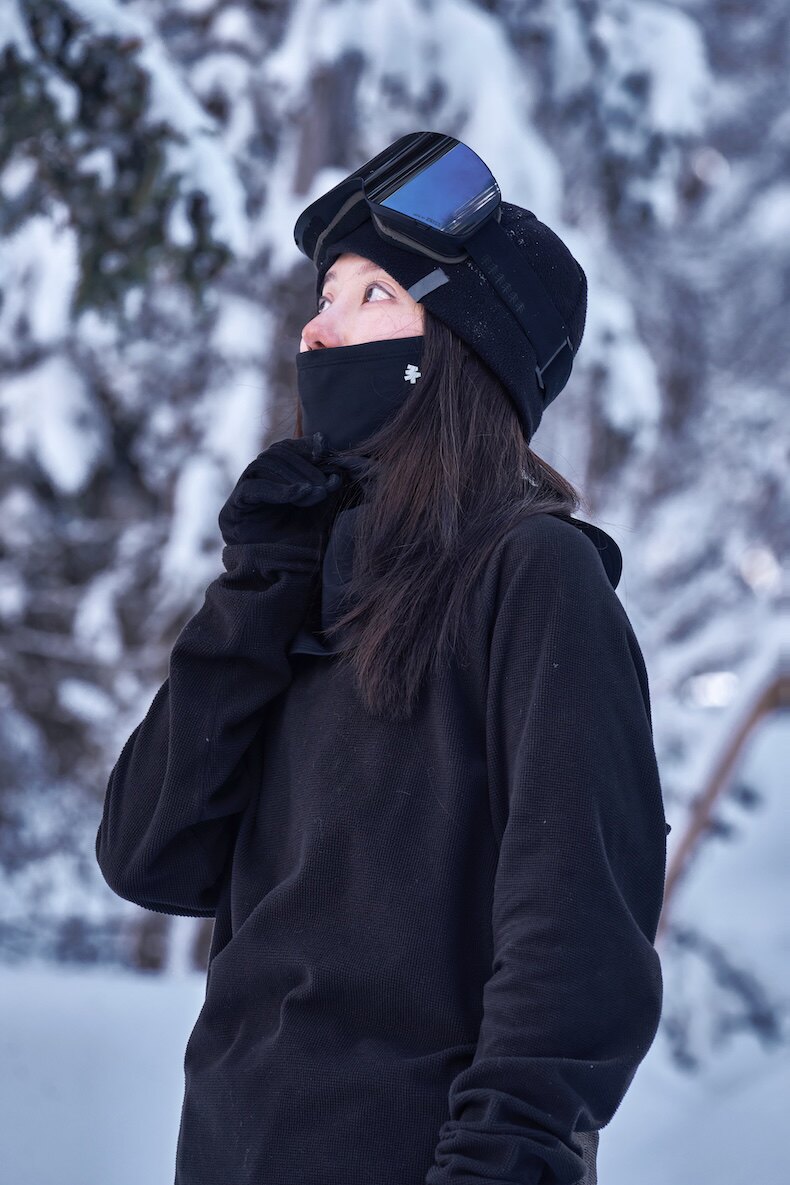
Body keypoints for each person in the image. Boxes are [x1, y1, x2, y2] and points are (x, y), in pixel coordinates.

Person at [95, 178, 668, 1185]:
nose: (318, 330)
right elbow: (151, 855)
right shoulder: (304, 589)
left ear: (462, 349)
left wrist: (504, 1156)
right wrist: (256, 589)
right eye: (324, 296)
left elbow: (578, 923)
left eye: (373, 295)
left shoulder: (535, 576)